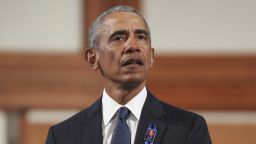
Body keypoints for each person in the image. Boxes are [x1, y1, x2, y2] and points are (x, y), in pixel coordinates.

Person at [45, 5, 212, 144]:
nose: (133, 45)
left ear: (151, 57)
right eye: (119, 38)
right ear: (92, 58)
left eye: (141, 36)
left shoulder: (188, 128)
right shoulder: (62, 136)